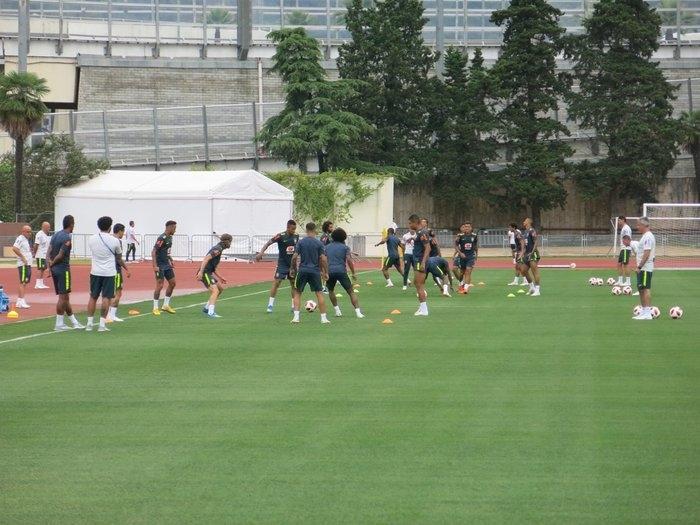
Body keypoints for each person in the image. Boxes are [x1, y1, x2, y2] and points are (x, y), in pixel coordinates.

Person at [86, 216, 123, 332]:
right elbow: (119, 256)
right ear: (110, 227)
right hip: (109, 272)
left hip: (95, 271)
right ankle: (102, 324)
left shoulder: (92, 239)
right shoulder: (115, 240)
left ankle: (89, 323)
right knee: (106, 297)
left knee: (93, 297)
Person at [47, 215, 84, 331]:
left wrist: (49, 267)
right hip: (63, 269)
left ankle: (74, 322)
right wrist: (52, 264)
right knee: (63, 297)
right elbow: (61, 255)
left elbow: (48, 252)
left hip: (54, 270)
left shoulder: (55, 235)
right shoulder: (67, 237)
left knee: (65, 297)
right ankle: (59, 324)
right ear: (71, 224)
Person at [290, 222, 329, 324]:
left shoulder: (301, 242)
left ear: (306, 230)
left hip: (303, 270)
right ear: (315, 230)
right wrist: (325, 272)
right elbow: (323, 259)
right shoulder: (319, 243)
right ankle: (323, 318)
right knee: (319, 293)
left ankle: (296, 318)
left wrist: (292, 268)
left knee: (298, 293)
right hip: (315, 271)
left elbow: (294, 257)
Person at [256, 220, 299, 313]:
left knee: (293, 284)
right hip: (282, 264)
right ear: (288, 227)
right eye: (292, 229)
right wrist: (261, 252)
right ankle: (270, 305)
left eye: (295, 229)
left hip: (292, 265)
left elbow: (297, 249)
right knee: (277, 282)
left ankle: (293, 305)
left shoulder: (296, 237)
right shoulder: (280, 236)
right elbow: (268, 243)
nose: (294, 231)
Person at [325, 227, 364, 318]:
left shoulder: (327, 247)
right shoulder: (345, 247)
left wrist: (324, 272)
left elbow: (324, 260)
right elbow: (349, 260)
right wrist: (353, 273)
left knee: (331, 290)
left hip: (330, 271)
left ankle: (337, 311)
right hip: (341, 271)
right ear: (343, 237)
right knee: (351, 291)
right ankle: (358, 312)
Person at [196, 233, 232, 319]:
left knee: (220, 289)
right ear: (226, 241)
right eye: (230, 242)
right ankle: (211, 312)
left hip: (208, 272)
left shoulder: (220, 249)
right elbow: (206, 259)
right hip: (205, 272)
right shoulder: (218, 249)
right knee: (215, 291)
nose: (230, 244)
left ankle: (206, 308)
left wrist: (220, 277)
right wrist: (200, 272)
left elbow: (213, 267)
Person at [632, 218, 656, 320]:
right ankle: (644, 311)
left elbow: (647, 253)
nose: (637, 227)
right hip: (643, 268)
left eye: (638, 225)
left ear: (644, 225)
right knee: (641, 289)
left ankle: (647, 313)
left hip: (645, 268)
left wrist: (639, 267)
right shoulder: (645, 236)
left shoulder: (648, 237)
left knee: (645, 289)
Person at [152, 220, 177, 315]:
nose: (175, 230)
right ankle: (155, 308)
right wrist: (155, 266)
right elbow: (154, 251)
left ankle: (165, 305)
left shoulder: (170, 238)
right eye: (174, 228)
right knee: (160, 285)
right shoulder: (161, 238)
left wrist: (170, 259)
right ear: (169, 227)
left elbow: (166, 251)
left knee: (173, 283)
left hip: (167, 264)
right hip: (160, 266)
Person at [108, 223, 131, 322]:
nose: (123, 234)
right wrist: (127, 269)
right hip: (116, 270)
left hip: (108, 269)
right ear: (120, 231)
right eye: (123, 232)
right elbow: (119, 259)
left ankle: (109, 314)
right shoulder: (118, 241)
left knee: (110, 293)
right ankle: (111, 315)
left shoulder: (108, 239)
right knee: (118, 292)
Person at [410, 214, 431, 316]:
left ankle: (424, 309)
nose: (409, 225)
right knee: (417, 283)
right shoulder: (418, 232)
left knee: (419, 285)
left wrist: (423, 262)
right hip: (417, 261)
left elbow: (428, 247)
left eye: (410, 223)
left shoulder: (422, 232)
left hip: (420, 261)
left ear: (415, 222)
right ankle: (422, 307)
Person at [12, 224, 33, 309]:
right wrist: (23, 258)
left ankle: (19, 301)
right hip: (23, 264)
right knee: (23, 282)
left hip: (27, 264)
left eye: (30, 232)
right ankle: (21, 300)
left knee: (24, 282)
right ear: (23, 231)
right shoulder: (20, 238)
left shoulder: (25, 240)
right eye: (28, 232)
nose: (29, 233)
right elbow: (14, 248)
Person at [454, 222, 478, 293]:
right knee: (462, 273)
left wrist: (477, 254)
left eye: (468, 227)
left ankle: (466, 288)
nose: (467, 228)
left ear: (471, 228)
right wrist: (460, 253)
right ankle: (461, 284)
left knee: (468, 271)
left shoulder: (474, 236)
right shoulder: (460, 236)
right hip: (462, 257)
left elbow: (475, 246)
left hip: (471, 256)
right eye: (465, 227)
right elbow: (455, 245)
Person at [522, 217, 541, 296]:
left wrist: (532, 252)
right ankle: (532, 287)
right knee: (523, 270)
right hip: (526, 254)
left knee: (534, 271)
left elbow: (536, 241)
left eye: (525, 220)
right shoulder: (525, 232)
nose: (523, 222)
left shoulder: (532, 230)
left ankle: (537, 290)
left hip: (532, 254)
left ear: (529, 222)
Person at [33, 221, 51, 289]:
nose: (49, 228)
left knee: (43, 269)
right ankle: (37, 284)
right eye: (48, 227)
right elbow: (36, 244)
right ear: (44, 227)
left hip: (44, 255)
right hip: (40, 254)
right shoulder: (39, 234)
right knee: (40, 268)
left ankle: (41, 283)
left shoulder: (45, 235)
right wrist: (34, 253)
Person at [616, 216, 633, 287]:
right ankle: (620, 281)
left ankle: (628, 281)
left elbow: (628, 238)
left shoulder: (626, 228)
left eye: (619, 220)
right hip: (622, 248)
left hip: (626, 248)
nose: (618, 222)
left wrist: (628, 247)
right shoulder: (623, 228)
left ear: (623, 220)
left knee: (625, 264)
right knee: (619, 264)